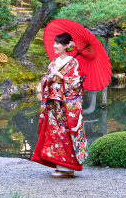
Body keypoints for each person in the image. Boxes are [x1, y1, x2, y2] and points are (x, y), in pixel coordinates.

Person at [31, 32, 87, 177]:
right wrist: (48, 78)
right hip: (53, 104)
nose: (55, 46)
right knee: (54, 133)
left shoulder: (73, 62)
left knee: (66, 133)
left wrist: (63, 78)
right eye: (54, 43)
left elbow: (77, 82)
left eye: (58, 43)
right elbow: (45, 80)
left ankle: (68, 167)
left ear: (66, 46)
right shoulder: (53, 63)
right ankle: (58, 164)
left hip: (66, 105)